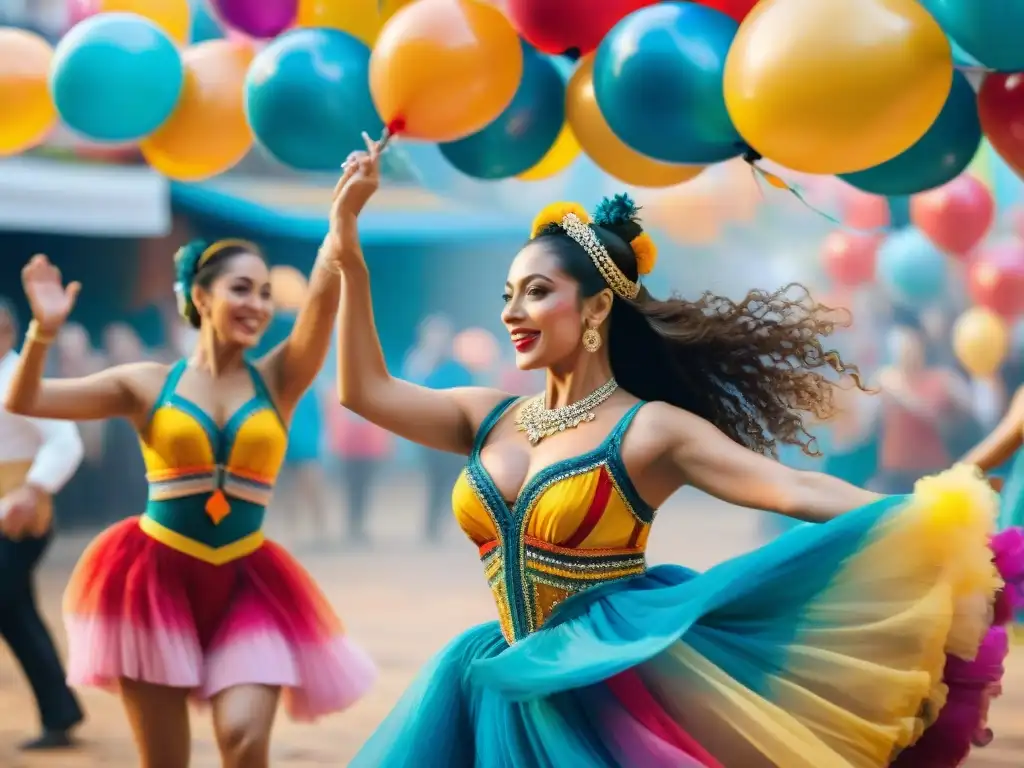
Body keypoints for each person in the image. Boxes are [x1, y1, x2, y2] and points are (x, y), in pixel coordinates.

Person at [333, 140, 1017, 767]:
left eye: (537, 292)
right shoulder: (486, 414)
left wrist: (932, 516)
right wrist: (347, 250)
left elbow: (793, 490)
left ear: (597, 309)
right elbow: (363, 391)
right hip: (494, 686)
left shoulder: (650, 430)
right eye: (508, 294)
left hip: (606, 686)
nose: (513, 311)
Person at [4, 172, 377, 768]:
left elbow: (324, 299)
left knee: (245, 740)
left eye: (263, 292)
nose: (256, 304)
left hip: (249, 583)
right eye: (241, 289)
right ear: (201, 297)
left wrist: (342, 221)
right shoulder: (146, 382)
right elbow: (27, 401)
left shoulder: (278, 378)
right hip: (152, 581)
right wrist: (43, 330)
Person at [0, 298, 85, 751]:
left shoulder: (20, 379)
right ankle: (61, 713)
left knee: (12, 610)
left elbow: (65, 442)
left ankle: (61, 713)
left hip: (21, 519)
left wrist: (31, 490)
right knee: (16, 616)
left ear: (8, 331)